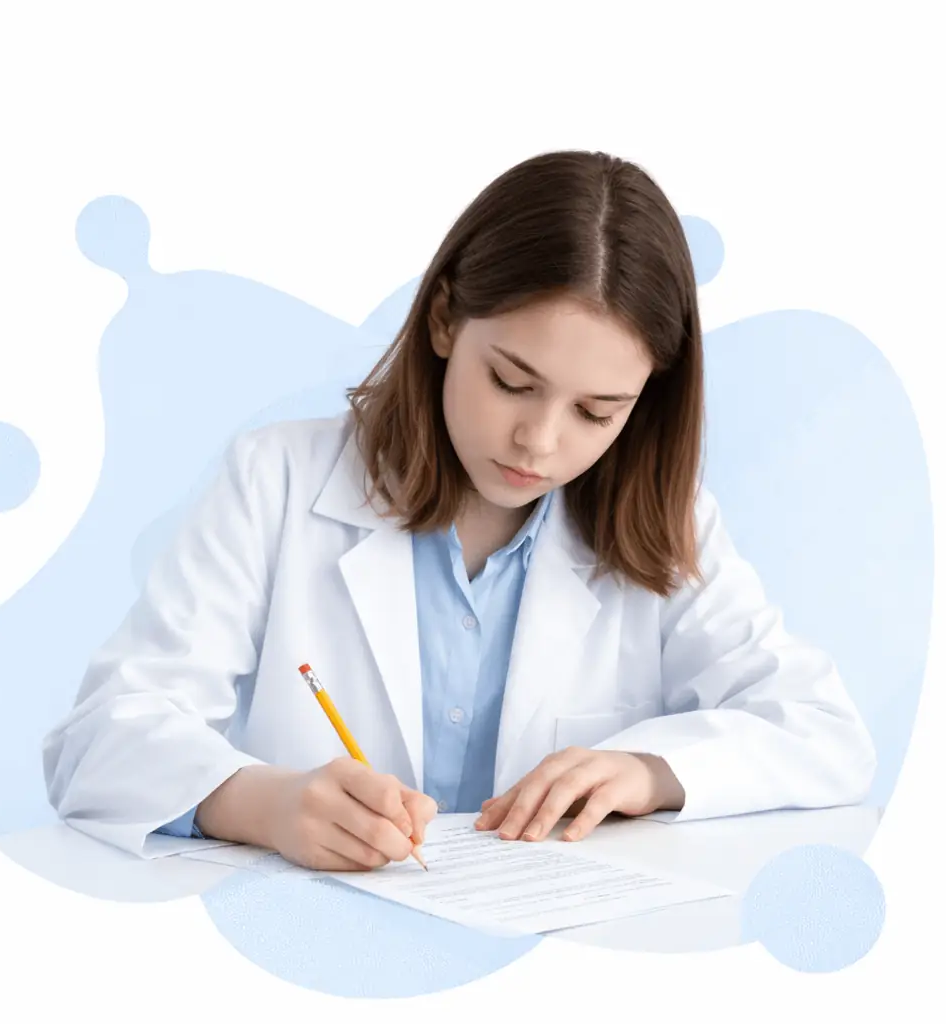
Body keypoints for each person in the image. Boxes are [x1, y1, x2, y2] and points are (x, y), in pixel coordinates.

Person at [42, 149, 876, 871]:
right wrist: (264, 805)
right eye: (511, 381)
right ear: (444, 320)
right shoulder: (278, 481)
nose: (538, 441)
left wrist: (650, 771)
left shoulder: (667, 521)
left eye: (597, 412)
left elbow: (824, 733)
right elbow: (99, 741)